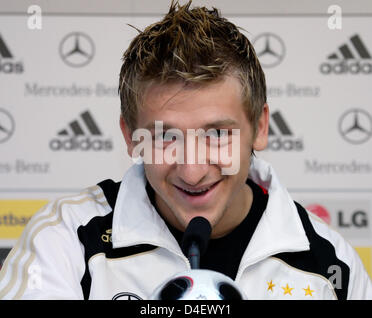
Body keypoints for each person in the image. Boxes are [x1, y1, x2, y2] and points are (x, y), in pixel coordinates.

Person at [0, 0, 371, 300]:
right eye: (165, 137)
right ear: (130, 136)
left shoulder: (330, 264)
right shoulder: (67, 239)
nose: (193, 171)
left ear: (259, 128)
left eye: (217, 134)